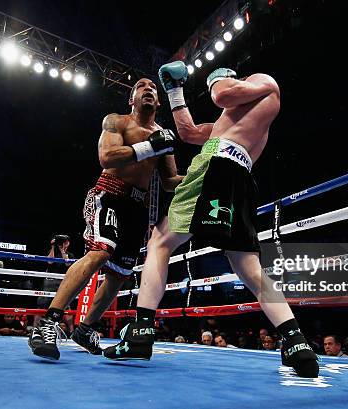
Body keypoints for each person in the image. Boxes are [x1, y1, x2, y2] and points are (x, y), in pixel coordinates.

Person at [103, 62, 319, 378]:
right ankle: (297, 343)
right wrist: (174, 90)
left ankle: (141, 330)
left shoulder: (264, 82)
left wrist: (217, 78)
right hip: (239, 176)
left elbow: (220, 95)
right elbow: (188, 132)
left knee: (160, 241)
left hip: (216, 164)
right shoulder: (235, 121)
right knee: (248, 267)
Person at [28, 77, 183, 360]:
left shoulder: (165, 136)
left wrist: (203, 178)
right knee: (100, 252)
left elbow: (170, 181)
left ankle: (84, 329)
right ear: (131, 99)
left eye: (153, 88)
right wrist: (150, 146)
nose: (148, 89)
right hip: (109, 194)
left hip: (137, 208)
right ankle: (48, 323)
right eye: (141, 86)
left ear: (159, 102)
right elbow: (107, 157)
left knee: (119, 275)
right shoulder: (117, 121)